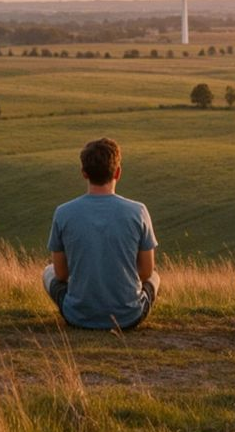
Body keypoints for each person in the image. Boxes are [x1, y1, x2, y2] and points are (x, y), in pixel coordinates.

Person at [42, 137, 160, 330]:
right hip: (129, 317)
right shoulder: (138, 211)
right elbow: (146, 271)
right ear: (118, 173)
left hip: (77, 316)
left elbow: (61, 274)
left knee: (48, 271)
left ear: (84, 173)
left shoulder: (63, 213)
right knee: (155, 276)